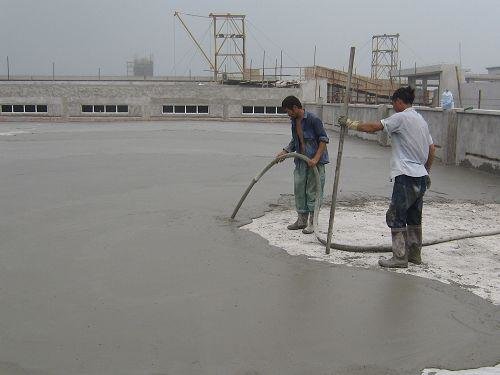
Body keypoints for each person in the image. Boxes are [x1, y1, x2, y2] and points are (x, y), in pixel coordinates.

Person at [338, 86, 435, 268]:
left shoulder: (401, 117)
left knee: (396, 216)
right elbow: (432, 149)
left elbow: (374, 127)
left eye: (394, 103)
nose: (393, 107)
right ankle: (414, 255)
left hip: (405, 174)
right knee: (414, 217)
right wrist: (426, 172)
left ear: (399, 101)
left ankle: (399, 257)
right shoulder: (420, 120)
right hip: (420, 176)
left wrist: (350, 124)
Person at [276, 96, 329, 234]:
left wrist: (316, 159)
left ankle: (312, 222)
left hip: (314, 163)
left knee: (313, 192)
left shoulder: (313, 120)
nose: (288, 115)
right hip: (301, 160)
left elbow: (323, 140)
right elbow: (296, 140)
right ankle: (301, 220)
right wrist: (285, 151)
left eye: (288, 111)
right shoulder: (294, 121)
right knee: (299, 188)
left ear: (295, 107)